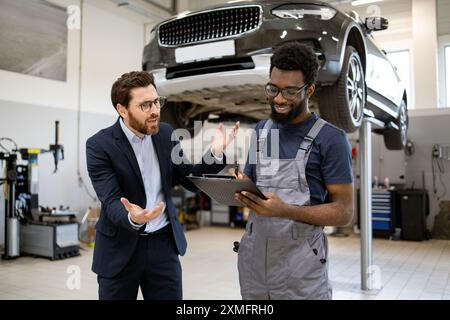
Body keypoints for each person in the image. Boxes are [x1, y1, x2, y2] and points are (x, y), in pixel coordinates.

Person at [86, 71, 239, 300]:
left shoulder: (165, 134)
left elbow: (188, 180)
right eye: (145, 105)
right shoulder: (100, 145)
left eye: (157, 102)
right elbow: (110, 200)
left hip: (163, 245)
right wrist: (134, 218)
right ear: (122, 109)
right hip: (120, 248)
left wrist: (215, 152)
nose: (155, 110)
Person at [234, 42, 354, 300]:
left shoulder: (330, 138)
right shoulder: (261, 131)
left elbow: (344, 212)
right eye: (273, 88)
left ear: (309, 90)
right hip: (255, 266)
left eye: (289, 91)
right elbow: (252, 184)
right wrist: (239, 186)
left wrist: (286, 210)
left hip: (301, 271)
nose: (278, 98)